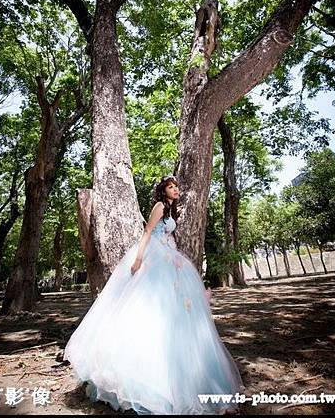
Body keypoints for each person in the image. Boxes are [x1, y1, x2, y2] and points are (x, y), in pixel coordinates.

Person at [63, 175, 244, 415]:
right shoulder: (159, 207)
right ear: (163, 191)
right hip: (154, 259)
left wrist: (177, 259)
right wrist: (138, 259)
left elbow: (167, 236)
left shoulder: (171, 210)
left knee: (177, 311)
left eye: (177, 186)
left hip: (169, 259)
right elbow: (148, 232)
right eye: (171, 187)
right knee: (148, 307)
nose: (175, 189)